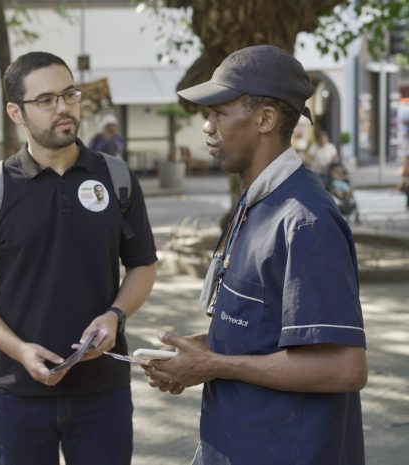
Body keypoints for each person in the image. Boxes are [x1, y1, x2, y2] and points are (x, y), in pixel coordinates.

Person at [143, 45, 367, 465]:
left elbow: (345, 368)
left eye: (219, 113)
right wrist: (198, 352)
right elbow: (264, 331)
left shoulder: (305, 221)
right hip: (234, 443)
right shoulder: (256, 202)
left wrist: (215, 364)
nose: (207, 127)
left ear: (265, 119)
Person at [0, 51, 157, 465]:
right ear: (15, 111)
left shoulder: (115, 179)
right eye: (45, 99)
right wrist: (20, 349)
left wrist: (116, 314)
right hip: (16, 394)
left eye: (69, 94)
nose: (63, 107)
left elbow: (143, 266)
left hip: (103, 393)